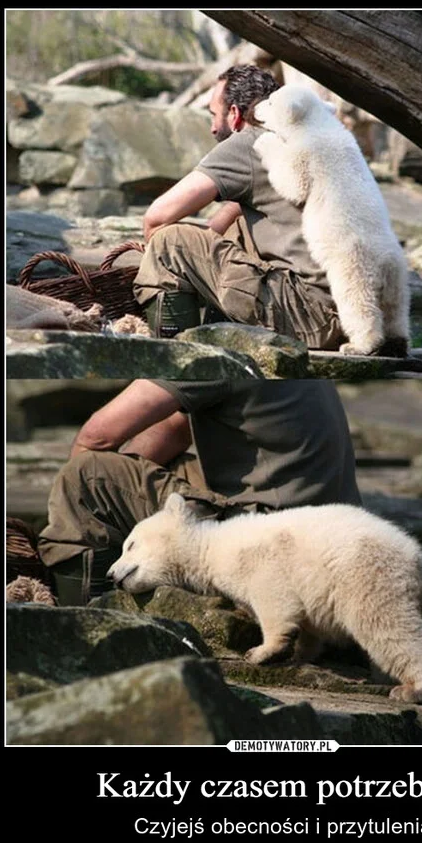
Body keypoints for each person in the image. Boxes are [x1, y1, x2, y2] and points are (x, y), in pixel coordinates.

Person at [37, 379, 362, 606]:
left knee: (84, 476)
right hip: (322, 533)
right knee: (164, 465)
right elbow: (174, 431)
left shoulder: (216, 346)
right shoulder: (274, 340)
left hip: (264, 543)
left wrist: (74, 508)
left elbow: (96, 437)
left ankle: (83, 624)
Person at [133, 64, 345, 350]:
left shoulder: (250, 142)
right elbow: (243, 205)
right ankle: (216, 329)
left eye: (213, 115)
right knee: (236, 227)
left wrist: (162, 263)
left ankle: (178, 356)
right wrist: (206, 245)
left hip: (309, 317)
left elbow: (155, 220)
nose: (211, 127)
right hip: (347, 316)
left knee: (168, 243)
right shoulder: (305, 136)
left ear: (234, 114)